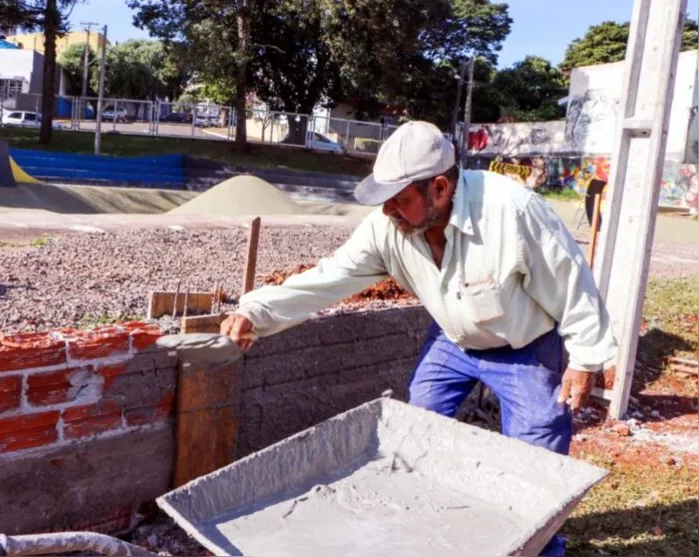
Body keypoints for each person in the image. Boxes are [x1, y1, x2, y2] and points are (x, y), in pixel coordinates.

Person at [220, 121, 618, 556]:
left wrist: (584, 358)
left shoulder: (512, 212)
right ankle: (435, 529)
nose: (389, 210)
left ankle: (537, 548)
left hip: (526, 347)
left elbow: (571, 283)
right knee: (421, 426)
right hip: (454, 339)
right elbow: (328, 277)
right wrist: (254, 311)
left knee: (537, 458)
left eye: (399, 199)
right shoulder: (387, 227)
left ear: (441, 188)